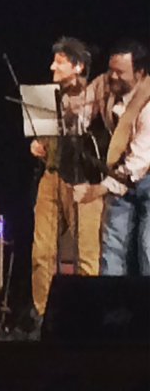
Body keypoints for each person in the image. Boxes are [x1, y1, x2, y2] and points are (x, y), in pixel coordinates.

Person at [28, 37, 102, 321]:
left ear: (78, 66)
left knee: (86, 255)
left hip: (84, 181)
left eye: (59, 63)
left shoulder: (95, 96)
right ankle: (43, 315)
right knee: (41, 253)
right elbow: (42, 137)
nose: (52, 68)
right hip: (52, 176)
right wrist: (36, 145)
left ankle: (88, 318)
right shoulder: (47, 97)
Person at [76, 40, 149, 276]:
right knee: (111, 248)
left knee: (148, 248)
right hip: (121, 174)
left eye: (121, 72)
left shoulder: (148, 106)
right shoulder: (104, 85)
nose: (113, 77)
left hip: (142, 173)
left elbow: (138, 163)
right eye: (111, 69)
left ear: (139, 73)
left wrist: (100, 189)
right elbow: (80, 113)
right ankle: (114, 309)